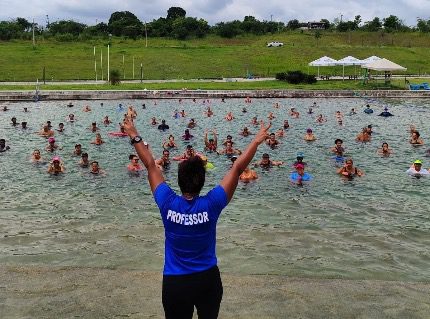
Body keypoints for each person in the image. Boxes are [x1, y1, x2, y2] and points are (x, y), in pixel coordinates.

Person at [122, 116, 271, 319]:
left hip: (175, 282)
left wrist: (133, 134)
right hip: (207, 279)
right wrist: (255, 141)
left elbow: (149, 164)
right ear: (202, 182)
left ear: (179, 180)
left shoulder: (167, 202)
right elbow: (236, 169)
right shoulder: (212, 204)